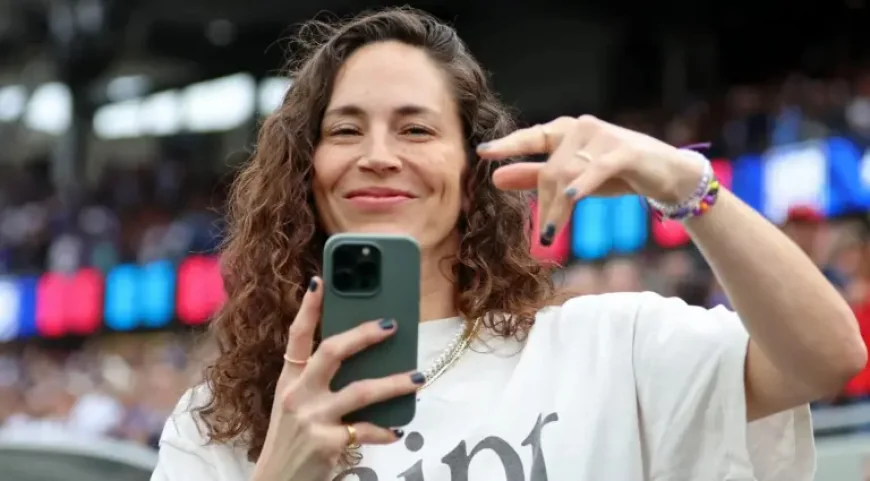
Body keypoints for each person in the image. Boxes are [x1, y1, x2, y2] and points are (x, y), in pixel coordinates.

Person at [150, 8, 865, 481]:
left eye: (416, 128)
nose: (376, 154)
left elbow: (824, 359)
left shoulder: (605, 346)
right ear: (306, 175)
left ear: (472, 172)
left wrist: (681, 178)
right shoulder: (220, 421)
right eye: (344, 130)